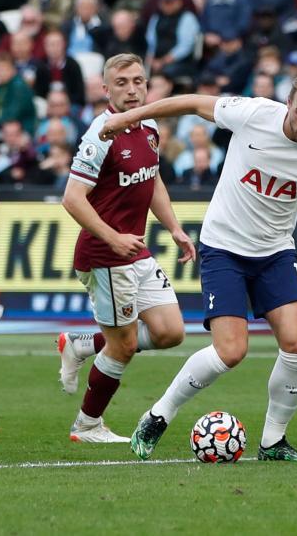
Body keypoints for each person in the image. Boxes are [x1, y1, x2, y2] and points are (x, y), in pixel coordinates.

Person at [100, 69, 297, 461]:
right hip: (223, 248)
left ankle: (273, 442)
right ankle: (159, 414)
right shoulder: (253, 114)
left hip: (275, 253)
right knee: (230, 351)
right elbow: (191, 101)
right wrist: (128, 118)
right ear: (288, 102)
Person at [56, 54, 196, 443]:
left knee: (171, 332)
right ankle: (87, 425)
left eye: (138, 81)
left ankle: (82, 345)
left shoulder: (148, 123)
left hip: (133, 250)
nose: (132, 89)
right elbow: (72, 198)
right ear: (106, 90)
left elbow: (152, 180)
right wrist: (112, 237)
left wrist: (174, 229)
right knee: (125, 345)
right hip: (105, 255)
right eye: (122, 82)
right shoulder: (101, 134)